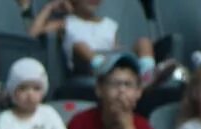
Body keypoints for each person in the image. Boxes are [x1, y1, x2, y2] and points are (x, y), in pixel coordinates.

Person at [31, 0, 164, 84]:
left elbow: (114, 48)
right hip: (85, 67)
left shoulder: (110, 24)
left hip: (111, 62)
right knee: (80, 45)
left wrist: (120, 54)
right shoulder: (67, 23)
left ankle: (147, 73)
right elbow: (33, 35)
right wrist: (49, 8)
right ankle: (104, 68)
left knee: (144, 42)